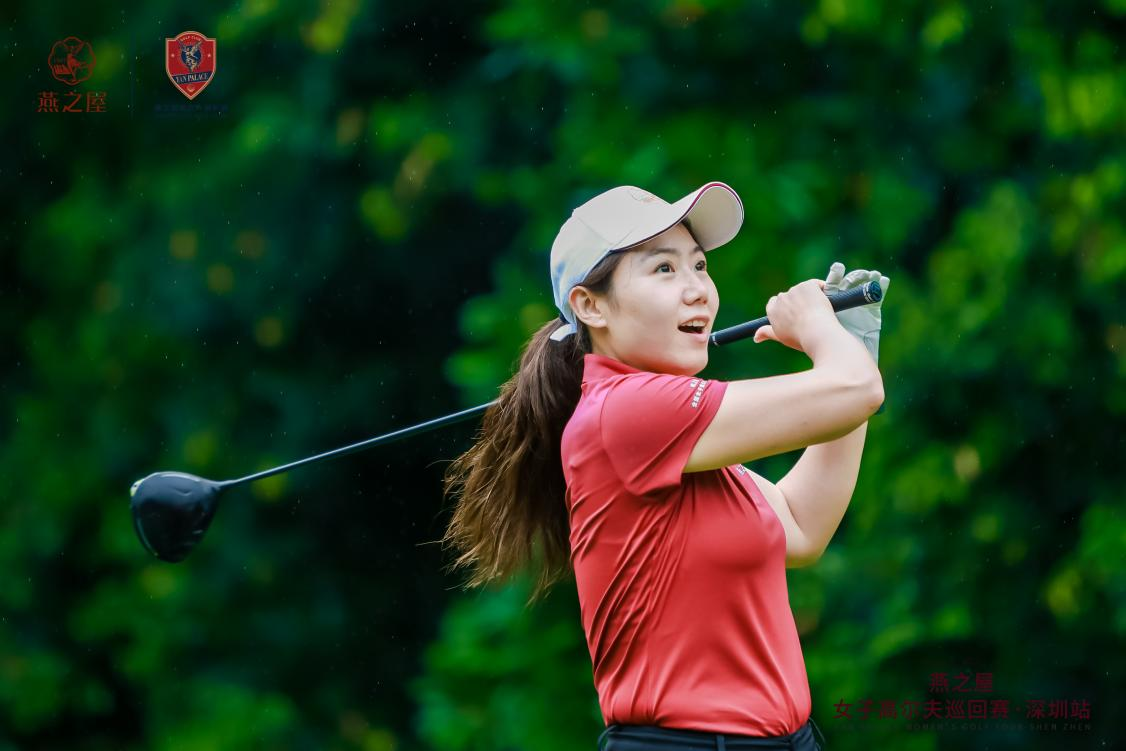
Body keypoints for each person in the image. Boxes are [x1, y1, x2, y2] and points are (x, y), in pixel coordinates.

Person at [440, 182, 889, 751]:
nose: (697, 290)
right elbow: (855, 391)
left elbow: (802, 526)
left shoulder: (676, 432)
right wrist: (822, 330)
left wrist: (853, 345)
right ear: (590, 306)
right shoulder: (627, 413)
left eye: (699, 266)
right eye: (664, 270)